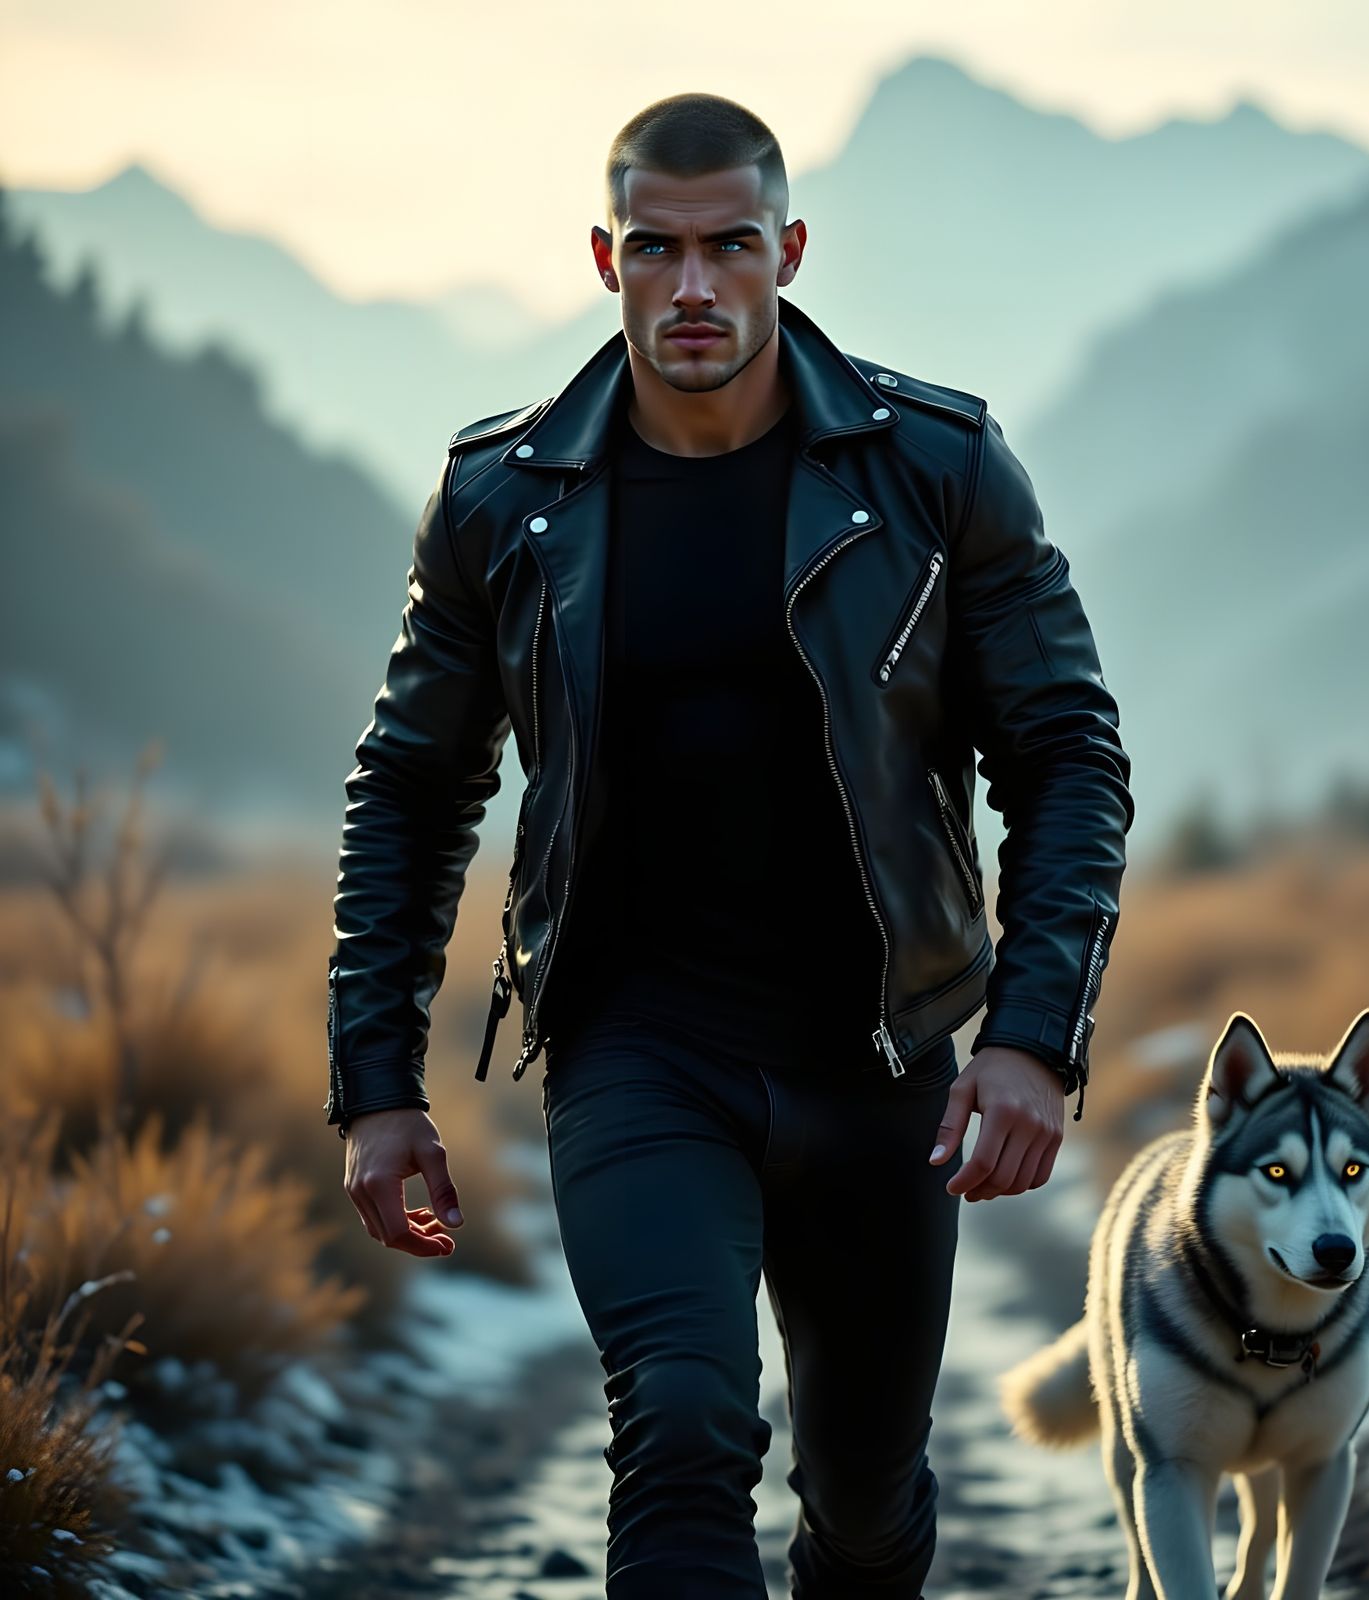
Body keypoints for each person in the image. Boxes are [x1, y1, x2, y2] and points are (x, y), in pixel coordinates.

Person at [325, 91, 1134, 1600]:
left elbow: (1068, 755)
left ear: (790, 251)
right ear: (605, 258)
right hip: (637, 1049)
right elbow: (413, 787)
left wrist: (1030, 1037)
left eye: (731, 247)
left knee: (866, 1503)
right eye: (657, 248)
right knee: (684, 1423)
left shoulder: (938, 468)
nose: (693, 286)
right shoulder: (504, 498)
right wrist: (375, 1082)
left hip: (876, 1063)